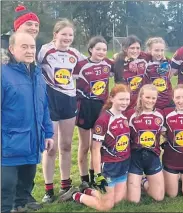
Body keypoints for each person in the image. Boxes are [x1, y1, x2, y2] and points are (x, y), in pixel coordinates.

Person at [1, 32, 54, 213]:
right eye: (24, 47)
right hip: (7, 147)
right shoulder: (3, 74)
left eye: (32, 47)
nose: (30, 51)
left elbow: (44, 106)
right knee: (5, 192)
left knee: (24, 191)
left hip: (32, 144)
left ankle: (20, 207)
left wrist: (48, 133)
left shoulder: (38, 74)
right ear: (12, 49)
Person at [60, 84, 132, 211]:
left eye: (127, 99)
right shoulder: (103, 120)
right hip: (109, 168)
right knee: (106, 206)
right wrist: (98, 175)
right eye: (121, 99)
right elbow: (95, 149)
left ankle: (88, 191)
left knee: (119, 200)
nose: (125, 102)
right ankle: (76, 195)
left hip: (122, 166)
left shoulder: (125, 117)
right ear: (111, 98)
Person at [37, 18, 87, 203]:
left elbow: (93, 62)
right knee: (51, 147)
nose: (67, 38)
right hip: (50, 102)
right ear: (55, 34)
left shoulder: (75, 54)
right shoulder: (44, 51)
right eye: (63, 34)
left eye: (70, 35)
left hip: (68, 102)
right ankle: (48, 189)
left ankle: (65, 185)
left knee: (66, 145)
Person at [73, 36, 113, 188]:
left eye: (104, 49)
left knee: (97, 145)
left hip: (101, 108)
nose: (101, 52)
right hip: (84, 107)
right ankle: (83, 179)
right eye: (98, 49)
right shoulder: (81, 65)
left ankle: (93, 176)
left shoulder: (109, 64)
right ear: (90, 49)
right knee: (84, 145)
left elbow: (123, 64)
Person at [126, 84, 165, 202]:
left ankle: (143, 181)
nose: (150, 101)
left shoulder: (160, 114)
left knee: (158, 197)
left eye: (153, 98)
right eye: (147, 97)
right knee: (133, 201)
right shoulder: (130, 114)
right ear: (141, 97)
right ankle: (136, 180)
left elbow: (165, 133)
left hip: (153, 157)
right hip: (135, 158)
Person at [113, 35, 148, 110]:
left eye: (138, 48)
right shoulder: (117, 62)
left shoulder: (144, 57)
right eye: (132, 48)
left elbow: (157, 54)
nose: (135, 51)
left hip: (141, 102)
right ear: (125, 49)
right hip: (125, 103)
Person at [144, 37, 172, 110]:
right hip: (152, 101)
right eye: (156, 50)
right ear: (150, 50)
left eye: (162, 50)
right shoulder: (145, 62)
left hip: (167, 101)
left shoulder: (168, 62)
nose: (159, 53)